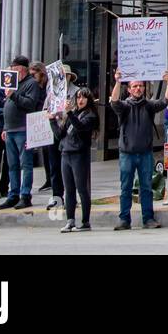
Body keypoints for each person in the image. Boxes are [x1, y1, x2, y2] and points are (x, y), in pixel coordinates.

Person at [109, 69, 168, 230]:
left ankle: (148, 219)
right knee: (125, 188)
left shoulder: (148, 106)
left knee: (146, 187)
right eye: (135, 86)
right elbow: (114, 101)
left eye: (141, 86)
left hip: (145, 153)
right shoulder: (124, 106)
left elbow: (166, 101)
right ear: (128, 89)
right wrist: (117, 81)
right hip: (127, 154)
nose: (138, 89)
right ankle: (124, 219)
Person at [0, 56, 44, 210]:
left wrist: (13, 95)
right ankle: (13, 194)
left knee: (26, 164)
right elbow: (7, 106)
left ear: (22, 68)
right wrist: (5, 127)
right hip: (11, 130)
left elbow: (30, 104)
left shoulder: (31, 84)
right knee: (12, 165)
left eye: (14, 67)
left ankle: (25, 195)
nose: (12, 70)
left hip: (23, 130)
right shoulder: (13, 83)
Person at [55, 87, 100, 232]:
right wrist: (53, 120)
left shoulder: (90, 115)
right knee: (69, 189)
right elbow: (59, 134)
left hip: (79, 154)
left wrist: (69, 113)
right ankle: (70, 220)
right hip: (66, 153)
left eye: (83, 98)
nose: (80, 100)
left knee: (82, 188)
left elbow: (81, 127)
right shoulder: (72, 114)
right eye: (78, 97)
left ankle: (85, 221)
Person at [31, 62, 63, 210]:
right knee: (53, 163)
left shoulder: (65, 90)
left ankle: (68, 195)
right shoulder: (41, 88)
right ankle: (56, 193)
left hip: (63, 130)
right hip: (48, 127)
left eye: (34, 74)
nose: (33, 78)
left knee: (65, 166)